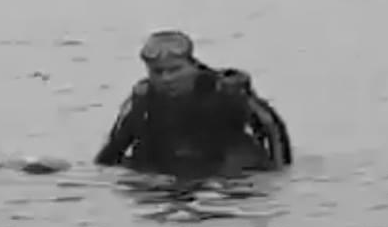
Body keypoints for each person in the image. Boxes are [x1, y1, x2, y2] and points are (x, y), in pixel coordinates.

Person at [94, 30, 292, 178]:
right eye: (158, 72)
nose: (166, 79)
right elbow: (112, 150)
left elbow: (272, 129)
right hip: (166, 170)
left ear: (192, 65)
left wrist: (279, 175)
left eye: (175, 70)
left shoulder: (225, 89)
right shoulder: (142, 98)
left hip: (224, 169)